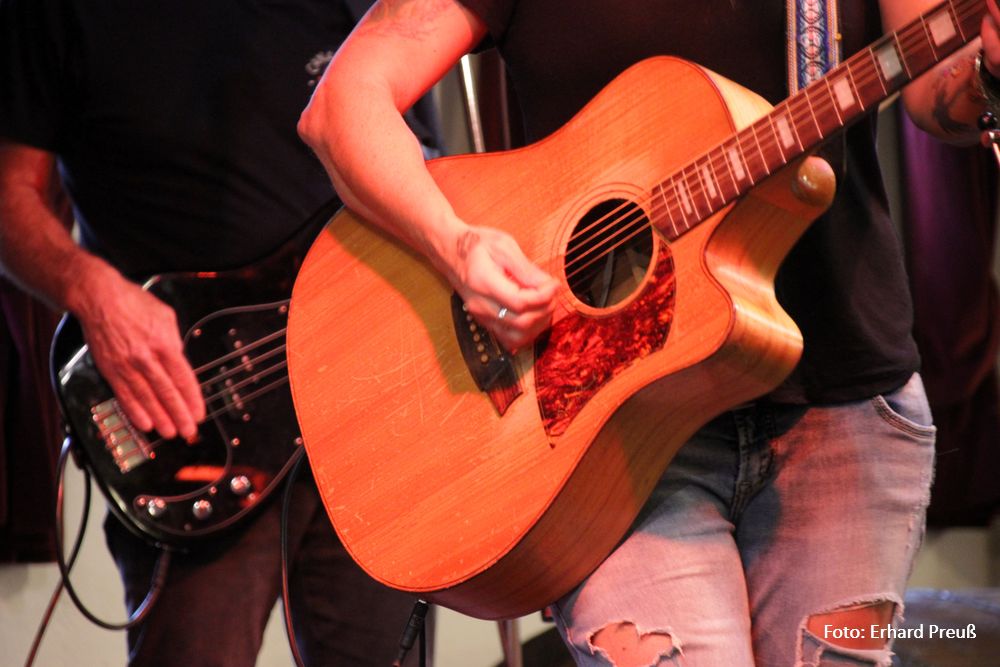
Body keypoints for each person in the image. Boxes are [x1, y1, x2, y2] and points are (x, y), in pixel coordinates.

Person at [297, 0, 1000, 664]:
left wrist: (987, 71)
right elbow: (345, 101)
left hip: (839, 403)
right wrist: (455, 245)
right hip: (604, 430)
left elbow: (941, 91)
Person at [0, 0, 437, 665]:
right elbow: (9, 196)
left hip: (364, 389)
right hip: (191, 412)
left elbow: (408, 151)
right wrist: (91, 290)